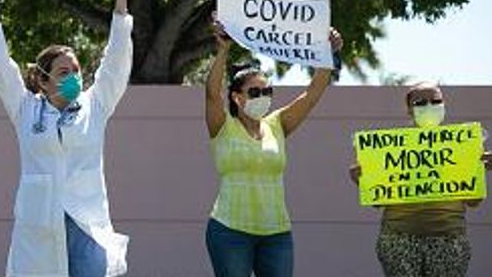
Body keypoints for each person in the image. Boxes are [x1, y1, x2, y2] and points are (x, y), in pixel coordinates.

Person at [0, 0, 133, 277]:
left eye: (76, 70)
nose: (74, 77)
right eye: (64, 72)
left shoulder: (95, 104)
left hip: (86, 226)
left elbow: (117, 58)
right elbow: (0, 65)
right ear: (43, 80)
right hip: (40, 227)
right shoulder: (26, 109)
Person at [202, 23, 342, 277]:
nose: (263, 96)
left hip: (276, 234)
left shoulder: (277, 124)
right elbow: (212, 94)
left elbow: (311, 95)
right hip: (229, 231)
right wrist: (223, 50)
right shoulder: (223, 126)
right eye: (255, 92)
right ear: (236, 97)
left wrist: (328, 54)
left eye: (267, 91)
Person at [348, 82, 492, 277]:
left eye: (436, 101)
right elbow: (379, 201)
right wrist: (362, 180)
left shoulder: (464, 145)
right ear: (409, 109)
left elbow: (474, 201)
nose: (429, 106)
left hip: (449, 239)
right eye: (420, 103)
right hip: (398, 239)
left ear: (444, 104)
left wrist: (479, 170)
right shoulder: (390, 148)